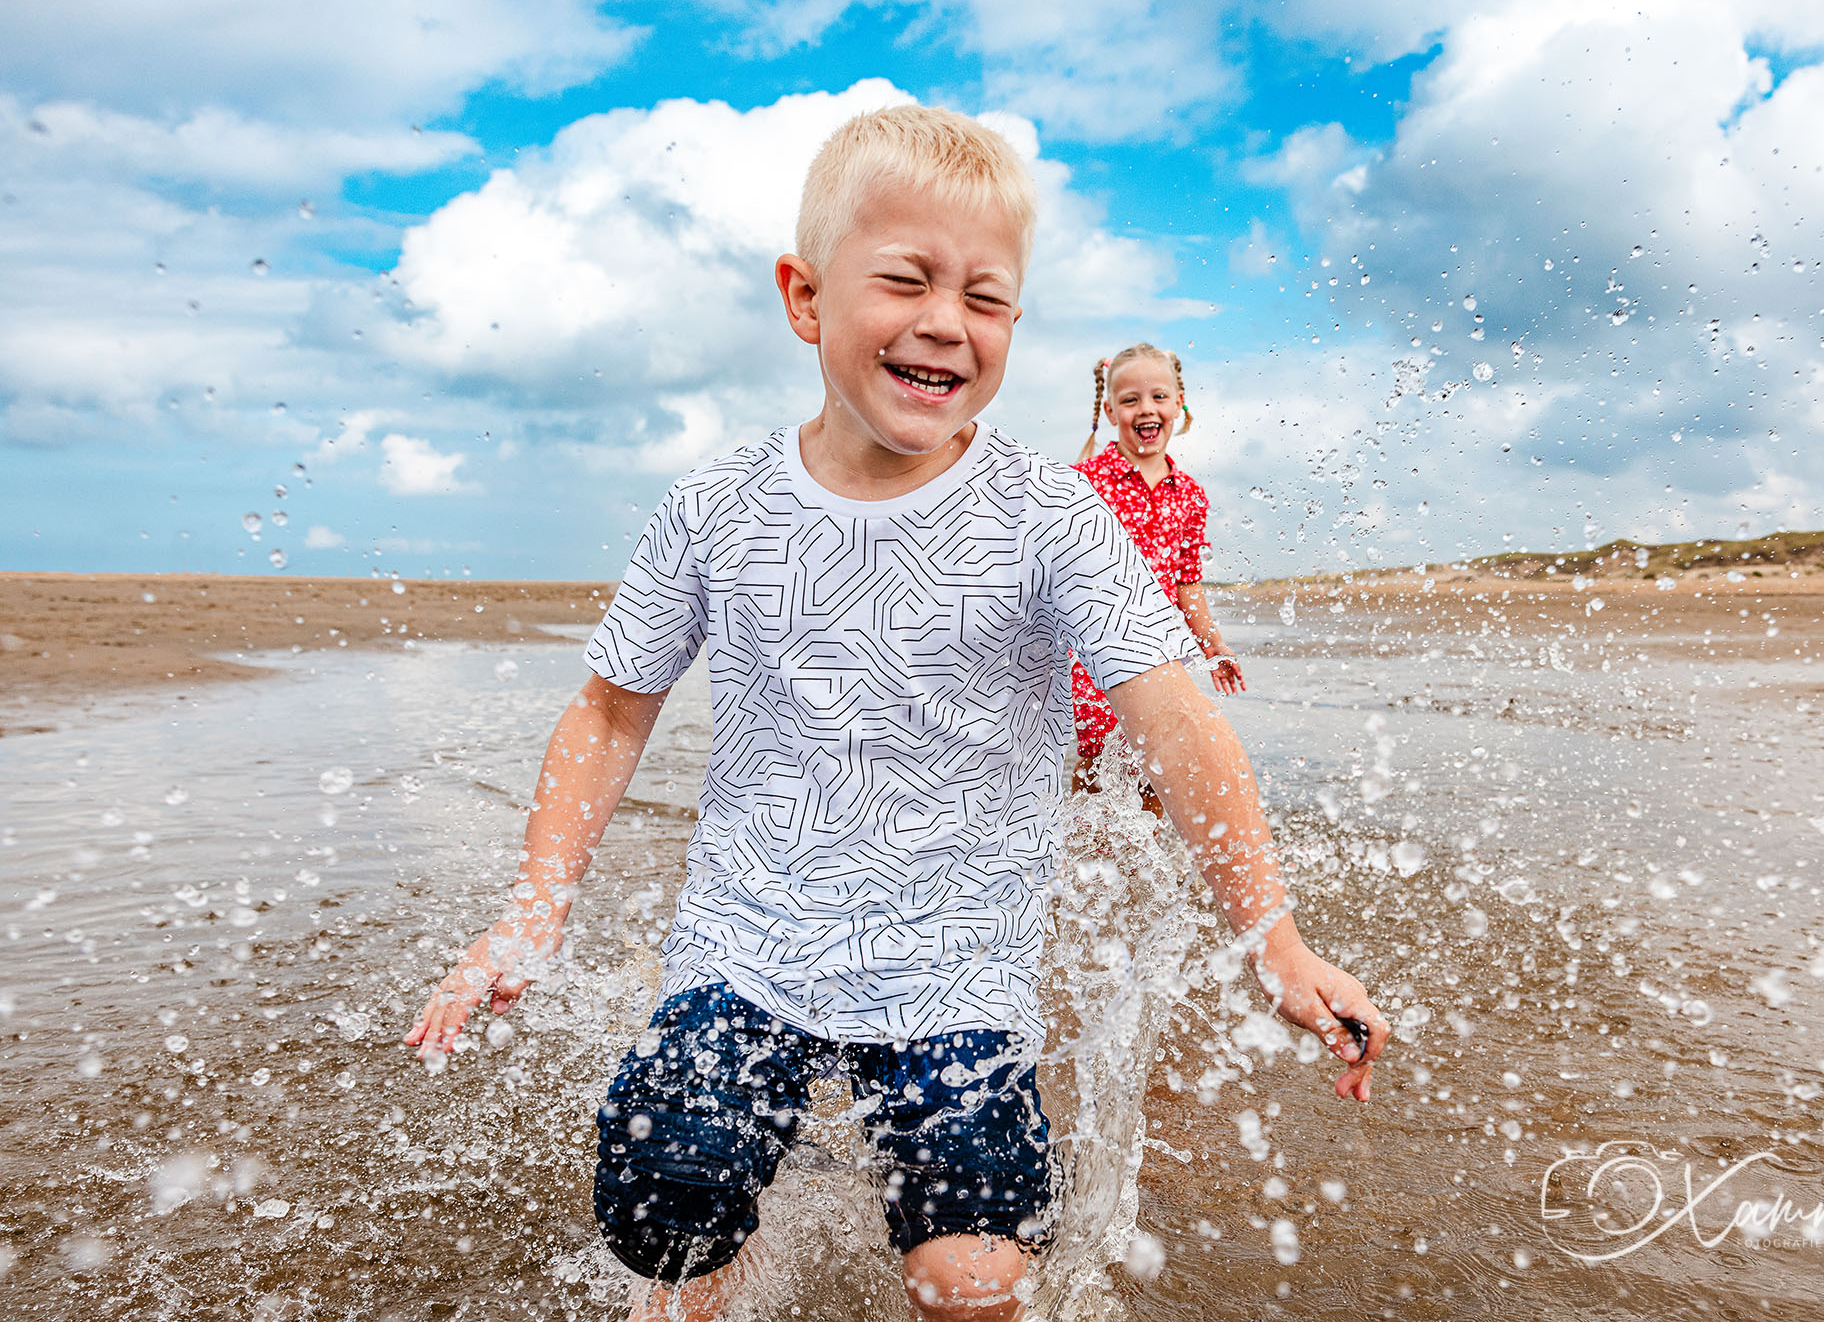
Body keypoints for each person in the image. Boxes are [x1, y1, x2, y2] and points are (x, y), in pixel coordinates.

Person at [403, 103, 1389, 1322]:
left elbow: (1176, 724)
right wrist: (531, 913)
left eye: (985, 297)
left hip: (959, 973)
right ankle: (728, 1265)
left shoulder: (1050, 517)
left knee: (969, 1277)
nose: (944, 322)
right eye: (905, 280)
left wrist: (1273, 938)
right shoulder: (717, 505)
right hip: (745, 946)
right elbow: (609, 713)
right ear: (805, 297)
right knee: (665, 1208)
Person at [1071, 344, 1243, 810]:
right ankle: (1086, 864)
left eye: (1158, 397)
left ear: (1178, 404)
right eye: (1130, 400)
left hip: (1165, 651)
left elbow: (1188, 581)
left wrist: (1213, 643)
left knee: (1161, 767)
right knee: (1100, 768)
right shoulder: (1082, 483)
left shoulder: (1190, 496)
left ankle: (1141, 878)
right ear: (1110, 411)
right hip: (1096, 656)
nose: (1145, 409)